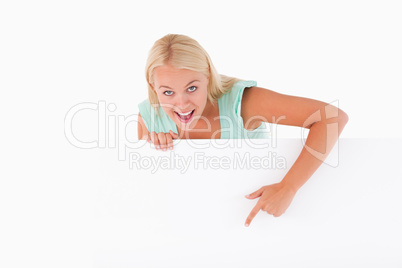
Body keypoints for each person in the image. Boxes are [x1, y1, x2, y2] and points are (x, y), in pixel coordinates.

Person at [137, 34, 349, 227]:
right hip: (192, 230)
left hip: (263, 224)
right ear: (152, 85)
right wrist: (154, 149)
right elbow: (150, 199)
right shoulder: (149, 118)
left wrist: (289, 187)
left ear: (208, 76)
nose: (181, 103)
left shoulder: (243, 102)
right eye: (167, 92)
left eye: (192, 88)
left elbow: (332, 117)